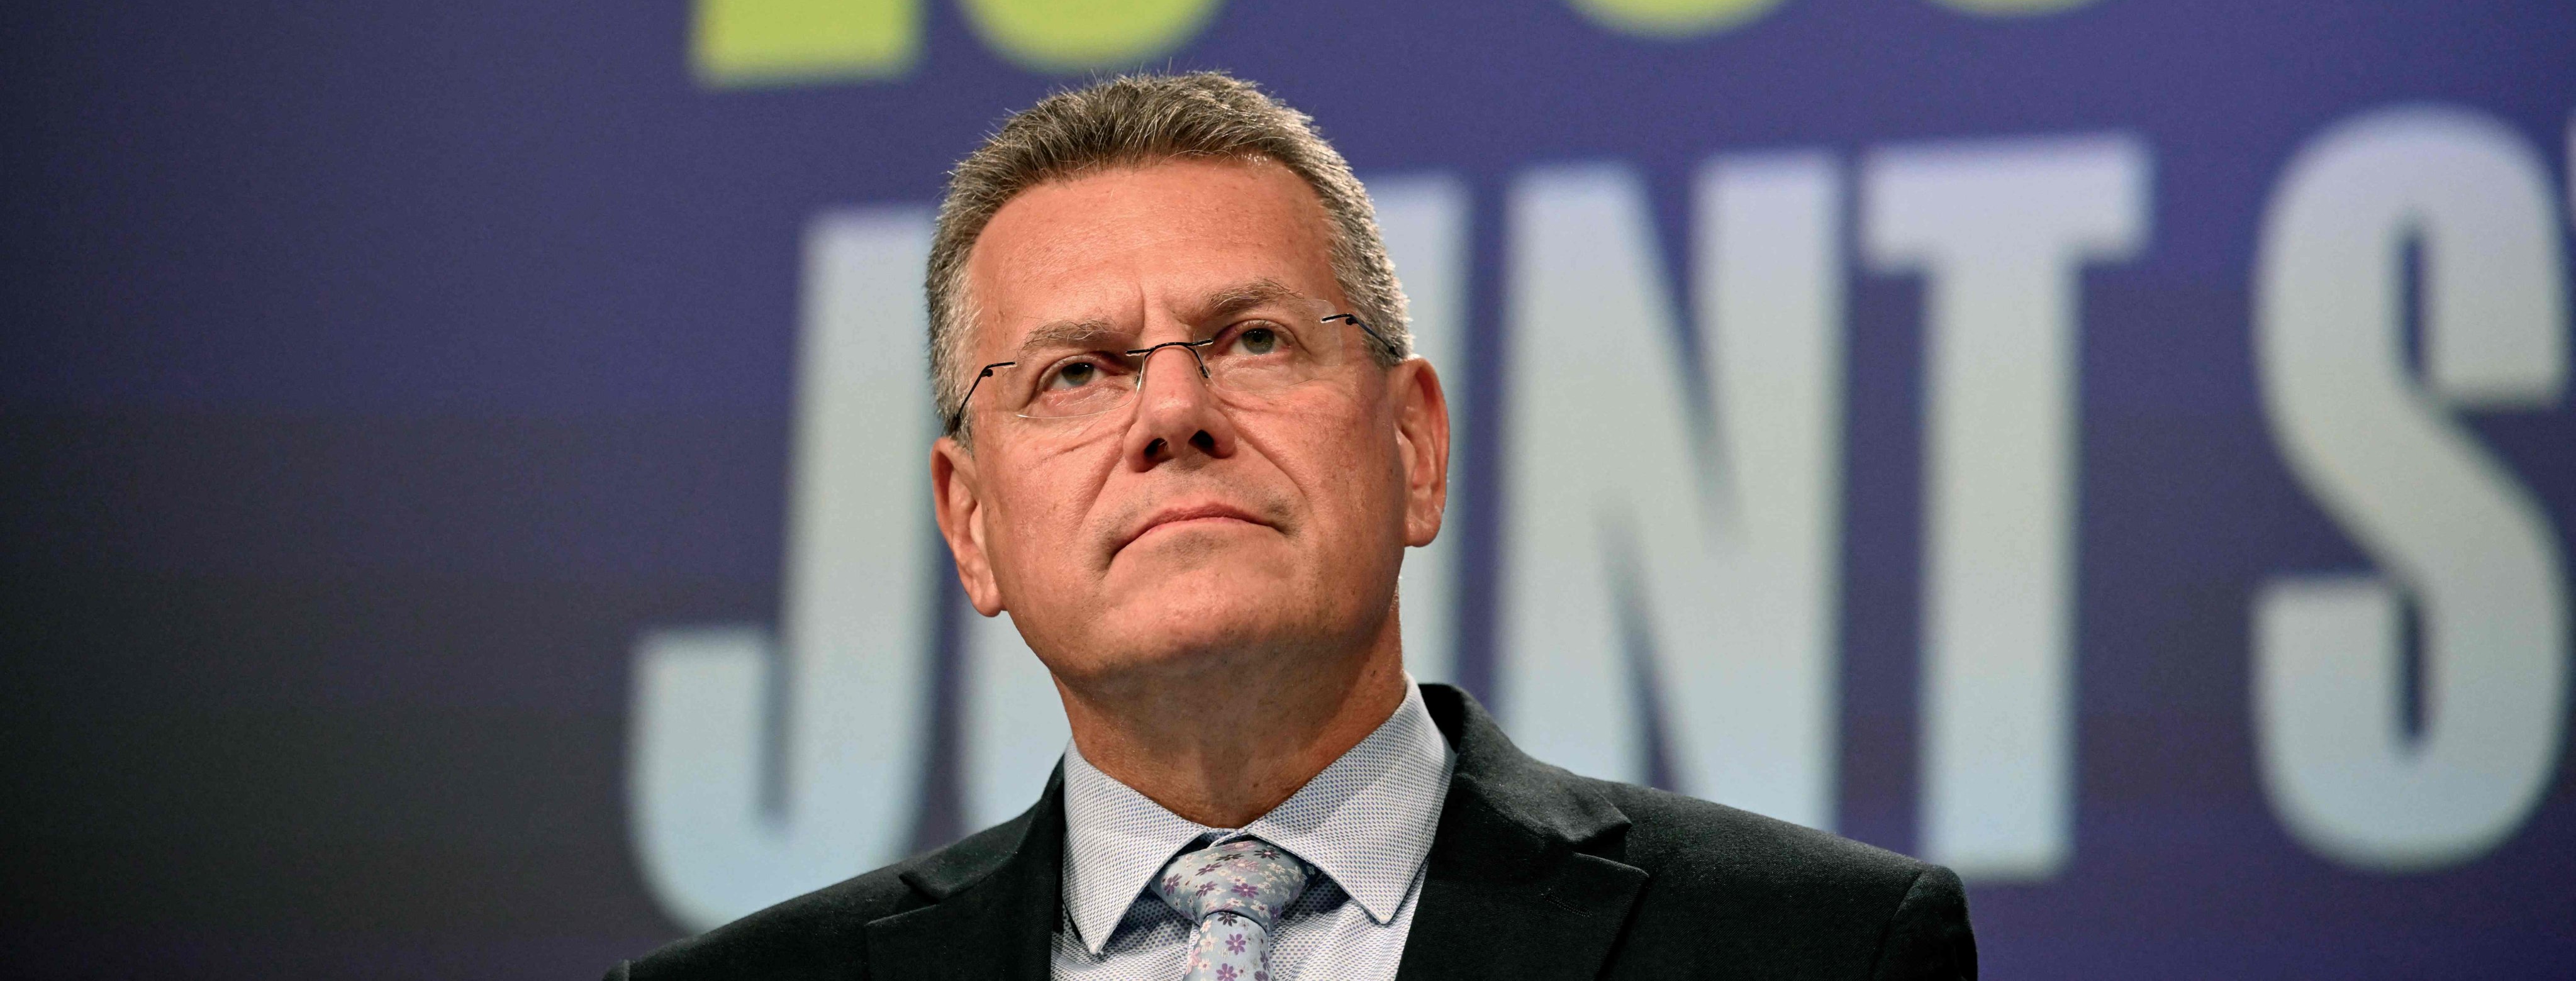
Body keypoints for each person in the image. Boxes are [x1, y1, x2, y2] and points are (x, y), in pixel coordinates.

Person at [611, 72, 1975, 980]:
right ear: (969, 524)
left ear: (1411, 444)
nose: (1170, 410)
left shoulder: (1810, 951)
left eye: (1251, 338)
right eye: (1075, 372)